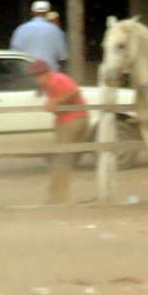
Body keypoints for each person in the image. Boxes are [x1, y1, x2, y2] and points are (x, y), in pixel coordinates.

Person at [29, 58, 90, 204]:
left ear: (46, 73)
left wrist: (56, 102)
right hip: (66, 120)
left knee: (62, 160)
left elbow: (74, 92)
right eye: (35, 77)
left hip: (72, 120)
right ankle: (54, 194)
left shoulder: (56, 80)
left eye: (39, 76)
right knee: (61, 159)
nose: (38, 80)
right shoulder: (49, 85)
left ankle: (59, 196)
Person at [10, 0, 68, 70]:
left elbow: (14, 53)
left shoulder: (21, 29)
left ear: (32, 13)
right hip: (49, 73)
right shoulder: (55, 30)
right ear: (47, 13)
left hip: (26, 74)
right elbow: (62, 56)